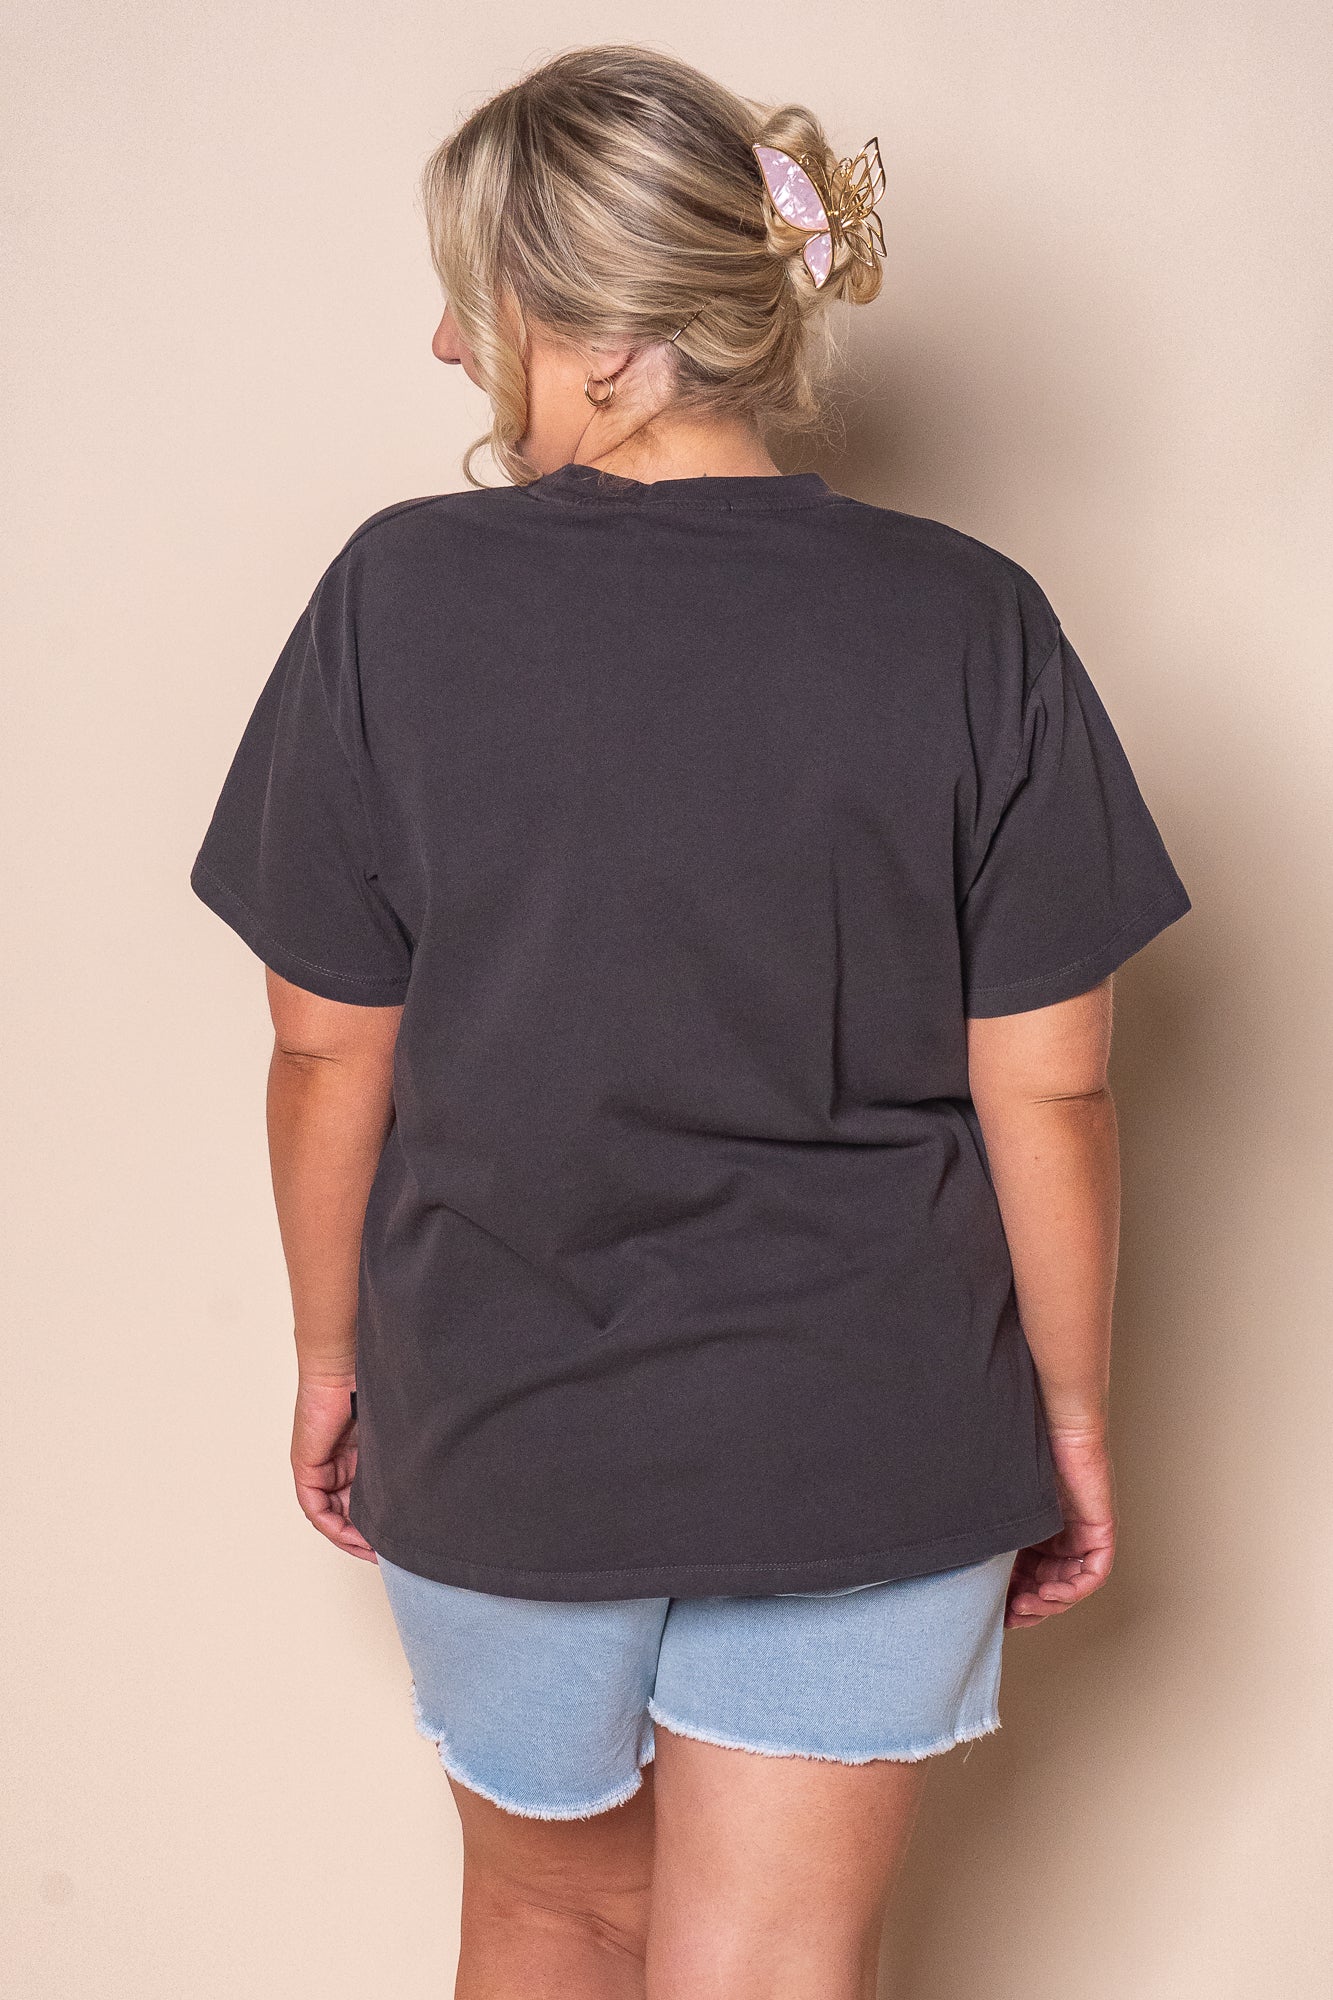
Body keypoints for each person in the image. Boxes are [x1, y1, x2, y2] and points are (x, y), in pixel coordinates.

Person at [189, 43, 1191, 2000]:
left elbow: (325, 1049)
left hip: (502, 1416)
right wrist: (1068, 1417)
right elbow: (1051, 1089)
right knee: (772, 1967)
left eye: (474, 301)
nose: (444, 343)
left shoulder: (393, 600)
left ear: (598, 337)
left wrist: (328, 1361)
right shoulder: (971, 618)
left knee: (549, 1917)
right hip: (873, 1427)